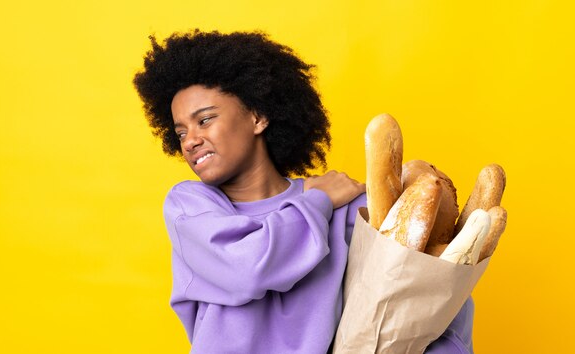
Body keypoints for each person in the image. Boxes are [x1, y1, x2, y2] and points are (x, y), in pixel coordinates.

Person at [133, 29, 475, 354]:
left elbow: (431, 292)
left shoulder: (350, 210)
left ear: (257, 117)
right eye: (180, 132)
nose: (190, 140)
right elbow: (248, 267)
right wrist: (319, 201)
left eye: (204, 120)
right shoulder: (191, 208)